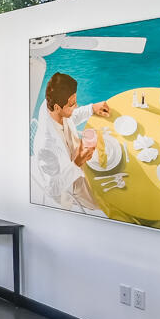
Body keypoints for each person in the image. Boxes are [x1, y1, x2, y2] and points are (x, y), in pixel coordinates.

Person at [33, 72, 111, 213]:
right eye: (72, 104)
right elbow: (53, 189)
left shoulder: (50, 103)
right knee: (109, 197)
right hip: (72, 184)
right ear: (57, 107)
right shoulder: (46, 148)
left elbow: (70, 116)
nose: (76, 106)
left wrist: (92, 108)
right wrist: (77, 163)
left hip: (78, 157)